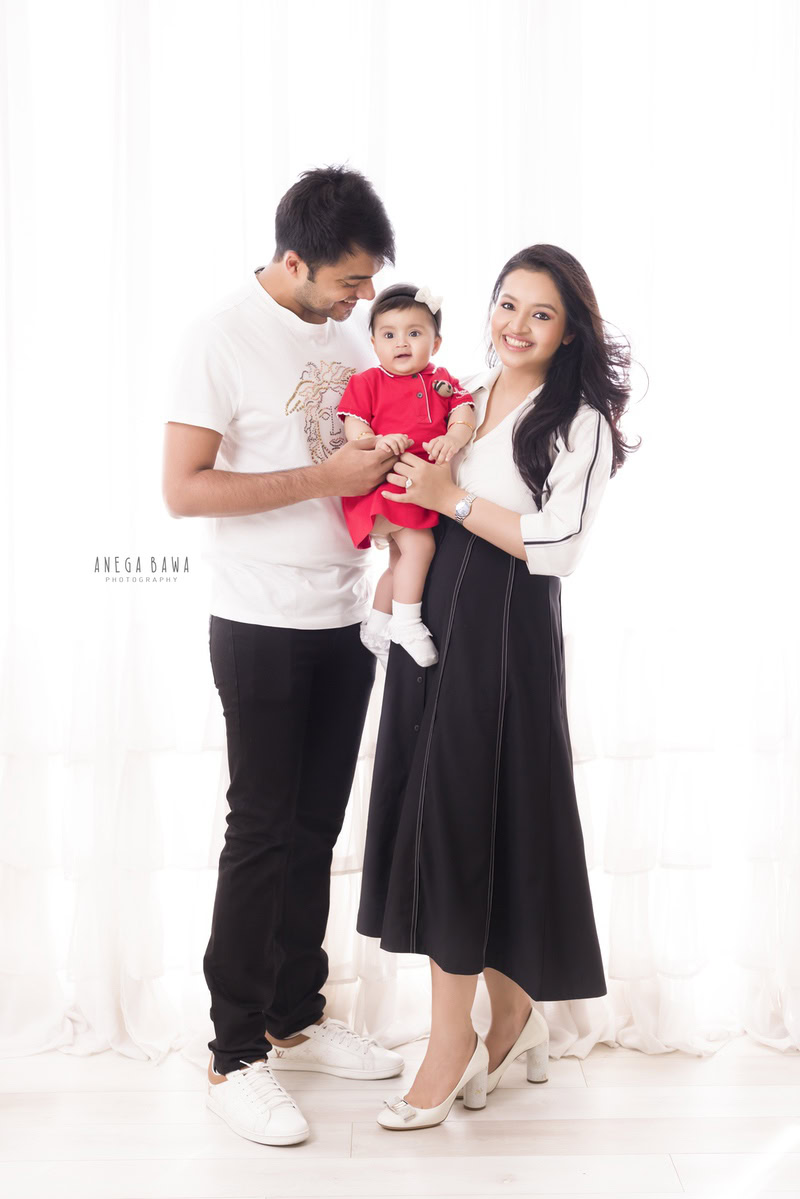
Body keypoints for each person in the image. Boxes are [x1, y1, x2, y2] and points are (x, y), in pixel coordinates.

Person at [355, 244, 638, 1131]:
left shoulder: (577, 415)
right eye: (506, 304)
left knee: (471, 809)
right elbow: (424, 496)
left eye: (540, 313)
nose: (515, 325)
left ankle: (459, 1038)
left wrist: (449, 496)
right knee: (466, 804)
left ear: (569, 329)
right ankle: (512, 1018)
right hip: (440, 607)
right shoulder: (472, 393)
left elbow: (557, 545)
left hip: (506, 619)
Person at [162, 166, 406, 1148]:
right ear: (293, 259)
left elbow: (348, 473)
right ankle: (231, 1052)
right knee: (260, 831)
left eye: (367, 283)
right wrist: (324, 474)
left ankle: (292, 1015)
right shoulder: (216, 335)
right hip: (257, 621)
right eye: (348, 280)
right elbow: (183, 490)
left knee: (314, 827)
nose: (361, 301)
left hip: (341, 618)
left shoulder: (346, 335)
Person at [337, 283, 475, 668]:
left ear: (436, 342)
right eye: (389, 334)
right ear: (374, 342)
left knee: (400, 563)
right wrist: (378, 440)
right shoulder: (367, 382)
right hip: (389, 487)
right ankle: (408, 624)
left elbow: (464, 410)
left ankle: (376, 625)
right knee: (421, 548)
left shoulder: (440, 379)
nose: (402, 343)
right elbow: (356, 428)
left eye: (415, 333)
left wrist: (454, 435)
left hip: (420, 488)